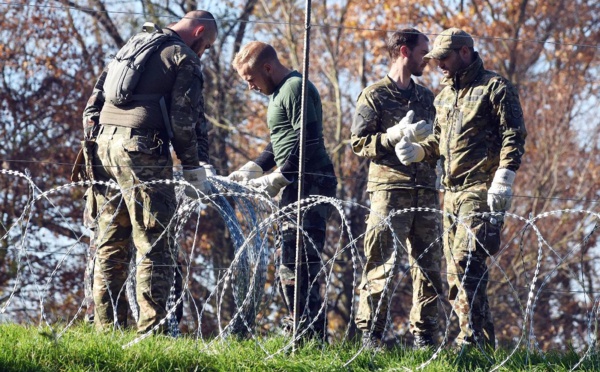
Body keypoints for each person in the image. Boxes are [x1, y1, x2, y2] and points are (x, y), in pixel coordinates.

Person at [80, 10, 218, 333]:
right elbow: (184, 123)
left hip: (102, 148)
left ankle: (107, 330)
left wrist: (98, 141)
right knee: (155, 242)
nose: (204, 51)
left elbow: (92, 104)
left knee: (110, 244)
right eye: (207, 45)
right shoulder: (183, 58)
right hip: (141, 151)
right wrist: (193, 168)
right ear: (198, 31)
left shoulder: (134, 44)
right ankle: (151, 331)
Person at [396, 28, 527, 348]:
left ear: (465, 53)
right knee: (456, 273)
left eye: (443, 57)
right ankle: (479, 342)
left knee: (468, 261)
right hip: (450, 193)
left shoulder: (494, 88)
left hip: (480, 187)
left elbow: (514, 134)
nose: (438, 64)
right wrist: (418, 150)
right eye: (434, 58)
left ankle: (471, 340)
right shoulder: (444, 97)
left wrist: (505, 176)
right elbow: (438, 144)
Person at [229, 41, 337, 341]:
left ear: (267, 67)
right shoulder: (278, 93)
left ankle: (309, 336)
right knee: (289, 260)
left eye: (250, 80)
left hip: (310, 181)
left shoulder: (294, 88)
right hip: (295, 182)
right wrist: (255, 166)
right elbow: (280, 143)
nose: (250, 87)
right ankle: (298, 329)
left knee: (301, 263)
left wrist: (281, 177)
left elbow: (310, 139)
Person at [350, 29, 444, 349]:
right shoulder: (374, 95)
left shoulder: (426, 97)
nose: (427, 60)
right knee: (382, 264)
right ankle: (371, 335)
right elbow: (359, 143)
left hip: (426, 190)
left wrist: (427, 146)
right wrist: (390, 137)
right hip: (390, 189)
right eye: (422, 53)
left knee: (430, 266)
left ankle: (425, 336)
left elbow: (437, 141)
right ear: (404, 51)